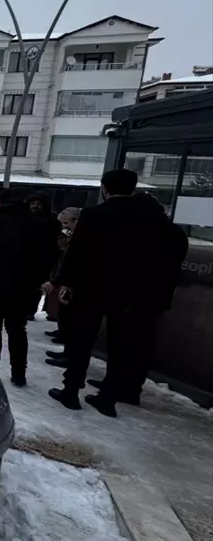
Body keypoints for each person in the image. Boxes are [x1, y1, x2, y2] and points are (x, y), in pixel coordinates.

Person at [47, 169, 189, 416]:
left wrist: (63, 282)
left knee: (82, 341)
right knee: (122, 346)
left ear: (105, 188)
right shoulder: (157, 223)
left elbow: (77, 253)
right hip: (134, 295)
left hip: (91, 289)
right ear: (133, 188)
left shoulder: (94, 216)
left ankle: (71, 391)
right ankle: (108, 398)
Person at [0, 189, 56, 386]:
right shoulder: (38, 226)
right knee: (17, 329)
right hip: (23, 288)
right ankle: (19, 373)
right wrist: (36, 282)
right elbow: (48, 258)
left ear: (1, 203)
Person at [43, 207, 81, 352]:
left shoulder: (80, 237)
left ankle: (68, 345)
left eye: (66, 223)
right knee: (64, 309)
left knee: (71, 313)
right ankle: (63, 336)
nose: (64, 227)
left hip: (72, 281)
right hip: (63, 274)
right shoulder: (67, 236)